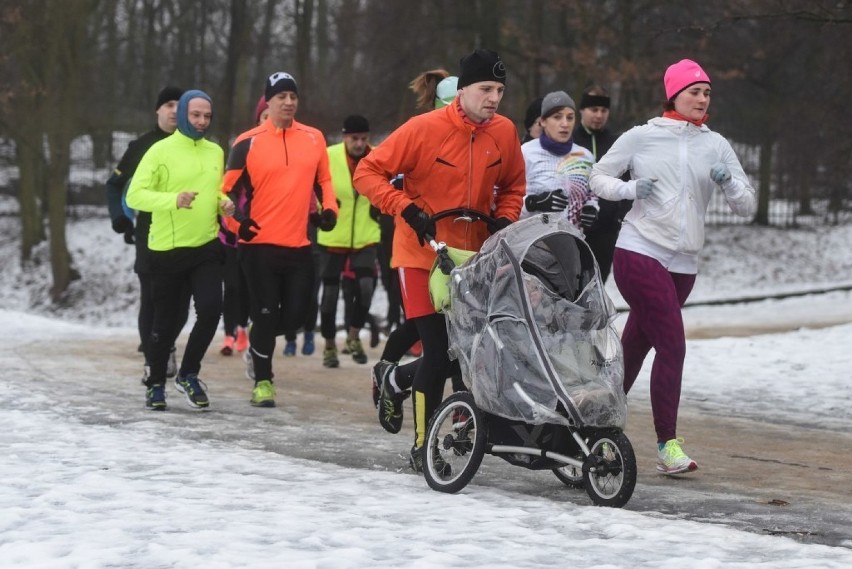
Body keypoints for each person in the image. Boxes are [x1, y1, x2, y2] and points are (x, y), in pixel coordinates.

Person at [354, 48, 525, 471]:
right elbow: (366, 173)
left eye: (500, 90)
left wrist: (504, 219)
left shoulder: (503, 132)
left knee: (461, 354)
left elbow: (514, 186)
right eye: (486, 88)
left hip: (471, 259)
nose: (493, 98)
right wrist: (405, 207)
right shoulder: (423, 129)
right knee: (437, 351)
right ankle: (423, 447)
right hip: (420, 254)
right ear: (461, 90)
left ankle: (393, 379)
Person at [589, 59, 756, 474]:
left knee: (634, 348)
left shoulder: (716, 144)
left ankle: (593, 425)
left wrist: (729, 183)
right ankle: (667, 445)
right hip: (639, 249)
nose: (702, 98)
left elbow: (747, 205)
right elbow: (597, 177)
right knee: (673, 345)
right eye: (695, 91)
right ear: (674, 94)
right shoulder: (642, 137)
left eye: (707, 92)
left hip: (684, 263)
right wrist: (629, 188)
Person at [222, 71, 338, 408]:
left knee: (298, 317)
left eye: (293, 97)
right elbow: (224, 193)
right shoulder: (247, 142)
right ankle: (263, 381)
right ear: (268, 102)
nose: (288, 102)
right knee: (267, 312)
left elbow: (325, 182)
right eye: (281, 97)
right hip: (257, 246)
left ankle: (257, 345)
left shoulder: (314, 138)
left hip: (299, 245)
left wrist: (328, 211)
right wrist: (236, 225)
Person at [126, 89, 234, 411]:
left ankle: (188, 374)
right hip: (167, 250)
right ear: (184, 113)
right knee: (165, 324)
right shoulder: (160, 151)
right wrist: (172, 200)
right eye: (195, 115)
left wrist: (222, 202)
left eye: (207, 116)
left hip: (205, 246)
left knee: (212, 309)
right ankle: (156, 382)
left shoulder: (215, 151)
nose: (202, 122)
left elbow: (211, 191)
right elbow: (135, 195)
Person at [105, 86, 189, 383]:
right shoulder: (140, 146)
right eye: (168, 104)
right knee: (152, 297)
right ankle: (153, 358)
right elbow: (114, 186)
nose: (173, 110)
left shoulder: (194, 145)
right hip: (149, 232)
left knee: (180, 301)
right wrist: (120, 218)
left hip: (186, 233)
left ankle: (166, 345)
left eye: (179, 105)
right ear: (158, 110)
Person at [315, 114, 380, 368]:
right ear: (344, 137)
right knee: (330, 294)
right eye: (354, 138)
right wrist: (322, 209)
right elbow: (315, 185)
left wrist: (380, 206)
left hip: (365, 233)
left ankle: (353, 336)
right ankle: (330, 345)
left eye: (364, 138)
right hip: (334, 233)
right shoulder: (329, 156)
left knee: (365, 288)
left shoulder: (376, 156)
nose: (359, 143)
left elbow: (390, 184)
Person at [219, 97, 270, 356]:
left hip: (259, 237)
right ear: (257, 120)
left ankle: (243, 329)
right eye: (265, 117)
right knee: (232, 288)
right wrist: (234, 221)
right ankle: (229, 334)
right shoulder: (243, 149)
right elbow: (226, 191)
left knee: (250, 289)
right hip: (231, 235)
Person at [573, 83, 632, 282]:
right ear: (582, 110)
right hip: (573, 229)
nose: (598, 115)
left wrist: (618, 218)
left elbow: (627, 182)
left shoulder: (618, 143)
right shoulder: (569, 141)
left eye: (603, 110)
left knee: (597, 284)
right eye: (593, 109)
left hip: (606, 231)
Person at [521, 90, 597, 229]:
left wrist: (591, 209)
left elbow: (592, 195)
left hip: (572, 242)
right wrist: (533, 203)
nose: (565, 124)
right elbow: (504, 201)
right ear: (543, 121)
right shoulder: (525, 152)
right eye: (557, 117)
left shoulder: (585, 156)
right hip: (532, 242)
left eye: (570, 117)